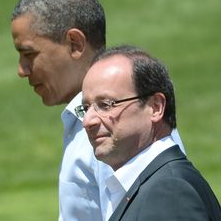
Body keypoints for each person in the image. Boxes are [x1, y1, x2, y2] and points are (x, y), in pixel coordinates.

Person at [11, 0, 186, 221]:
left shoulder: (119, 131)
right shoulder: (89, 120)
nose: (22, 69)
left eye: (29, 54)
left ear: (75, 43)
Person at [78, 45, 221, 220]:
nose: (87, 121)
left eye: (106, 104)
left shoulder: (169, 192)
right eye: (86, 108)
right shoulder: (151, 185)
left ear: (155, 107)